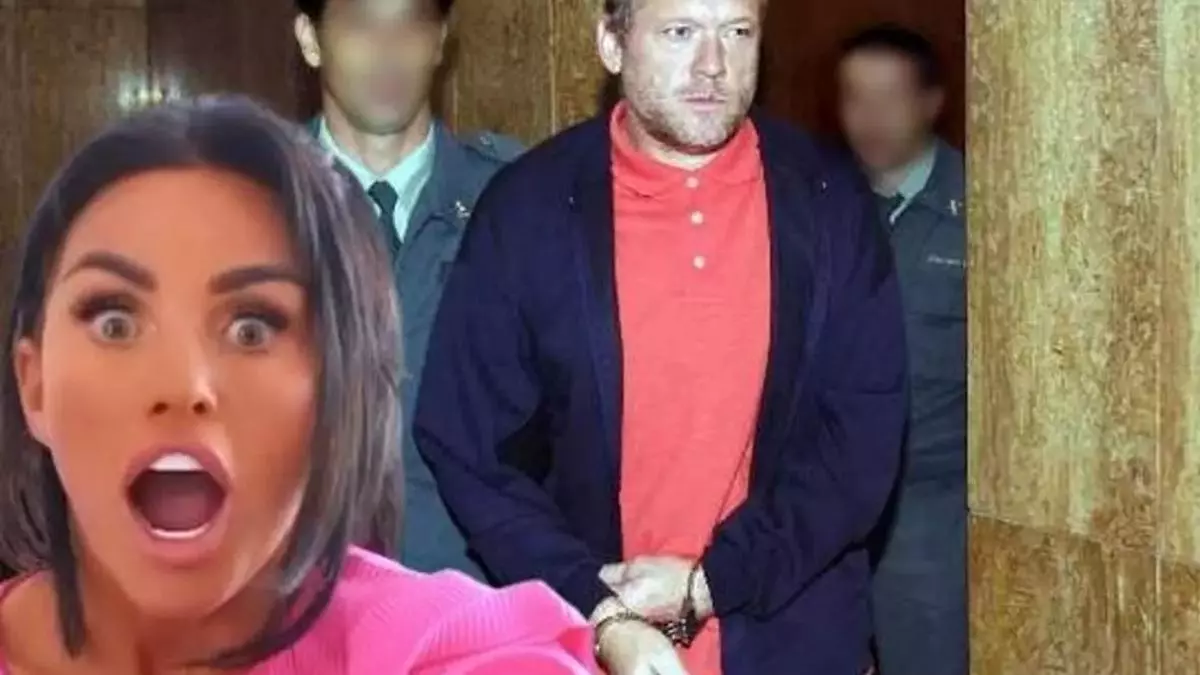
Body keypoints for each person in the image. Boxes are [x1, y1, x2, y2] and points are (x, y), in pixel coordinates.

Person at [0, 96, 595, 674]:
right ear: (34, 384)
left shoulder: (449, 647)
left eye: (251, 328)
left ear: (334, 395)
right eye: (115, 322)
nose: (183, 385)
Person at [413, 0, 908, 673]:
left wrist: (714, 582)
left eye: (737, 32)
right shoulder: (529, 209)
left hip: (792, 638)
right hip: (592, 644)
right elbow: (468, 445)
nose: (713, 65)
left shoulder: (829, 200)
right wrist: (594, 607)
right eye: (680, 32)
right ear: (611, 45)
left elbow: (862, 440)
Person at [292, 0, 521, 578]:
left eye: (410, 24)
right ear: (311, 40)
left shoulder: (515, 200)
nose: (388, 52)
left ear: (440, 41)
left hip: (474, 596)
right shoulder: (241, 205)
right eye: (360, 25)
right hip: (297, 598)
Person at [837, 23, 967, 675]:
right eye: (855, 98)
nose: (871, 118)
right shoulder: (821, 205)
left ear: (931, 102)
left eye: (890, 97)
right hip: (825, 508)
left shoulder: (983, 212)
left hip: (931, 512)